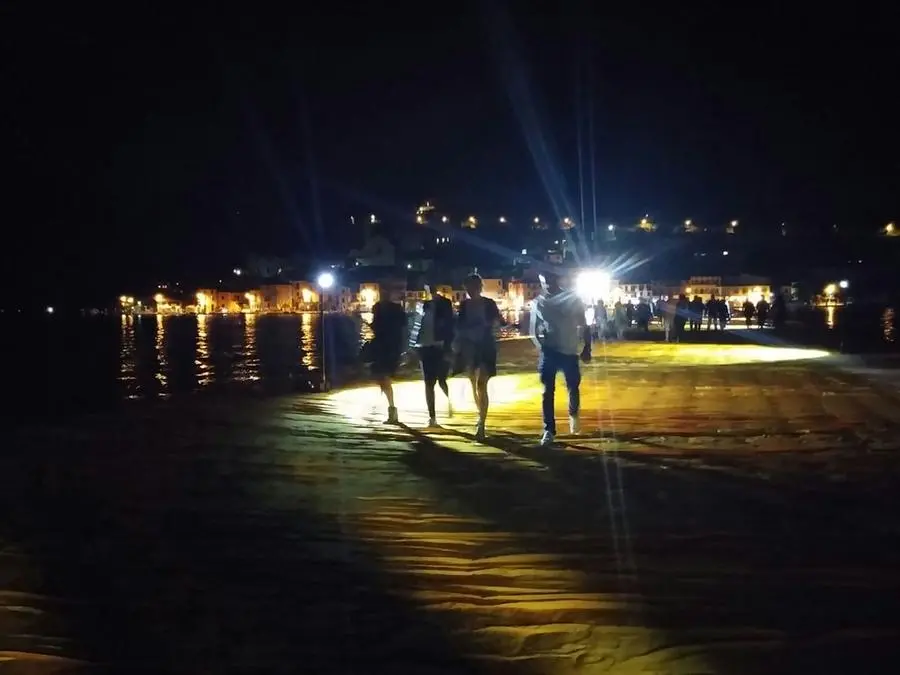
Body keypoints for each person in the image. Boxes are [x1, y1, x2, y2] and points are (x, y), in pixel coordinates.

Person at [530, 270, 592, 446]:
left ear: (557, 279)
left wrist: (587, 347)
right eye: (544, 281)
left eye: (550, 280)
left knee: (573, 386)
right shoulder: (538, 303)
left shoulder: (572, 299)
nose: (547, 284)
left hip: (570, 351)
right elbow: (533, 331)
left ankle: (573, 414)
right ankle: (549, 429)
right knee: (547, 390)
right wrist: (541, 347)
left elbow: (584, 325)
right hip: (550, 351)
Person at [454, 273, 504, 440]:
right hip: (470, 347)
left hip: (485, 346)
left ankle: (481, 423)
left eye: (472, 287)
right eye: (467, 288)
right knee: (474, 383)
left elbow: (497, 322)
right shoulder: (464, 305)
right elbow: (459, 327)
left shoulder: (488, 304)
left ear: (479, 287)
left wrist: (488, 326)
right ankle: (480, 414)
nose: (469, 291)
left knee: (482, 384)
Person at [410, 282, 455, 427]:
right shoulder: (423, 305)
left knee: (441, 380)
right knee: (429, 383)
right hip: (425, 347)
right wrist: (412, 346)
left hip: (440, 347)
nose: (429, 291)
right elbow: (416, 326)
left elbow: (450, 326)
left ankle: (449, 402)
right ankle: (432, 417)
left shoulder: (445, 304)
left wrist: (449, 347)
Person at [369, 288, 408, 424]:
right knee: (383, 375)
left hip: (386, 346)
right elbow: (404, 329)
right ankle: (391, 408)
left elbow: (376, 328)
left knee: (382, 375)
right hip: (390, 345)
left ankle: (391, 409)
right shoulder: (395, 309)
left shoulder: (379, 308)